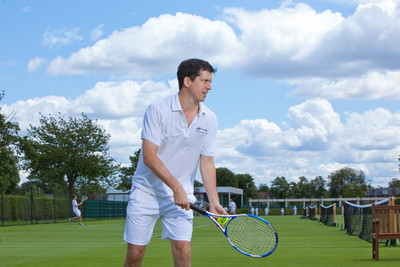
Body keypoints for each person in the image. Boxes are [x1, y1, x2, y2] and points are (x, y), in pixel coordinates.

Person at [123, 58, 226, 267]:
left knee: (183, 251)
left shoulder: (210, 119)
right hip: (146, 191)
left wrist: (214, 202)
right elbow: (149, 157)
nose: (210, 87)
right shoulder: (157, 109)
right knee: (135, 254)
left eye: (210, 82)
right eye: (205, 81)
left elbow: (206, 162)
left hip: (182, 196)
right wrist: (175, 186)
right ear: (187, 81)